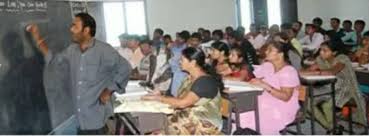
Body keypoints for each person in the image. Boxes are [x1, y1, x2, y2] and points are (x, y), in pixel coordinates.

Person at [26, 13, 132, 134]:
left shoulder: (104, 50)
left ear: (86, 30)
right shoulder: (72, 51)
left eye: (75, 26)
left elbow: (125, 68)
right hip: (79, 118)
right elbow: (55, 60)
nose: (71, 29)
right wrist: (37, 37)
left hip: (96, 119)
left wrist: (109, 90)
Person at [142, 47, 224, 135]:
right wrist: (161, 93)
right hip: (188, 119)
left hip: (205, 123)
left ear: (193, 62)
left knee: (157, 131)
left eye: (182, 59)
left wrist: (159, 98)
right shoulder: (188, 79)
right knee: (154, 127)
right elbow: (179, 99)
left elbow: (182, 103)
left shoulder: (204, 81)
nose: (179, 62)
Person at [300, 41, 367, 134]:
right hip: (329, 88)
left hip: (346, 90)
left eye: (325, 50)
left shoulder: (342, 58)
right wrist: (299, 72)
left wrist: (316, 73)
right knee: (307, 101)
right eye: (320, 50)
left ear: (334, 52)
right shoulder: (320, 59)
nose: (321, 53)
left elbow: (332, 71)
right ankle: (331, 127)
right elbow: (308, 70)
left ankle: (332, 126)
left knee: (323, 102)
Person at [238, 41, 300, 134]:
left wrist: (265, 86)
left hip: (282, 105)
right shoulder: (267, 66)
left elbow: (286, 97)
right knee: (243, 111)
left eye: (270, 50)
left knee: (259, 117)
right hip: (266, 99)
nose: (266, 52)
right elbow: (253, 78)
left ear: (280, 54)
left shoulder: (288, 71)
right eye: (267, 50)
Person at [169, 31, 190, 97]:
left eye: (181, 38)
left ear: (185, 40)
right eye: (178, 37)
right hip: (173, 69)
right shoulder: (173, 46)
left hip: (181, 71)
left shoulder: (186, 48)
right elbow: (170, 57)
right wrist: (169, 48)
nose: (178, 39)